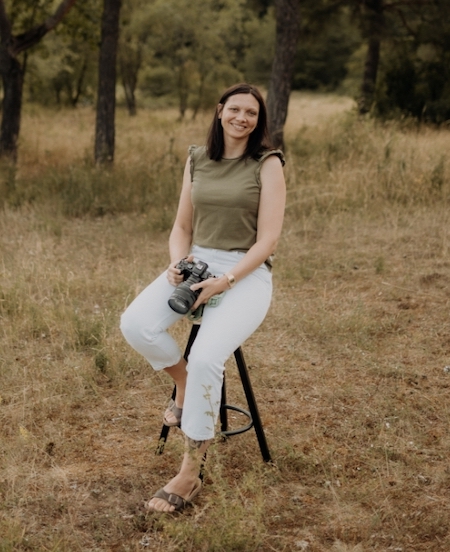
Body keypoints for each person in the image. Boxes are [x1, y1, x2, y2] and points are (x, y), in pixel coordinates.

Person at [120, 83, 286, 513]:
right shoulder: (197, 158)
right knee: (135, 324)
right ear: (220, 112)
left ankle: (190, 471)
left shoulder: (267, 163)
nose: (242, 118)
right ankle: (184, 383)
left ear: (258, 120)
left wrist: (225, 280)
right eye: (235, 109)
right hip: (198, 262)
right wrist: (178, 264)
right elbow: (181, 228)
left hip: (245, 272)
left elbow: (267, 240)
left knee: (210, 356)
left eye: (251, 112)